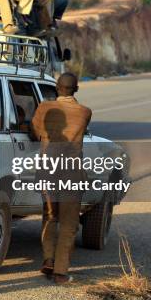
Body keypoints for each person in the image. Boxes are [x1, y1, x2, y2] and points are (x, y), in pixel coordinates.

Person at [30, 73, 92, 285]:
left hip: (47, 170)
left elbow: (35, 131)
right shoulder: (85, 112)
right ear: (76, 89)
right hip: (71, 173)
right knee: (68, 223)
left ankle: (48, 258)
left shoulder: (43, 108)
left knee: (50, 217)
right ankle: (61, 272)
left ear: (57, 88)